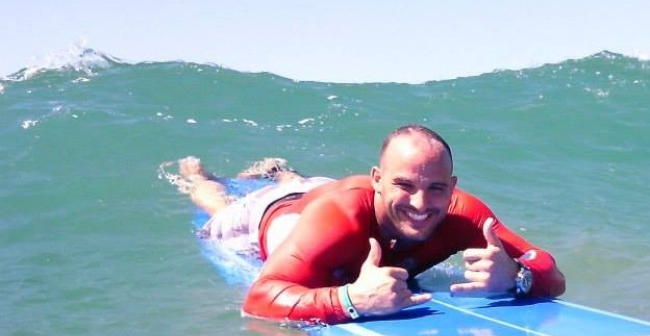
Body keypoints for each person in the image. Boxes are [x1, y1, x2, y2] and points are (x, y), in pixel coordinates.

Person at [170, 125, 566, 324]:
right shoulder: (339, 220)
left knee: (305, 184)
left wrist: (518, 275)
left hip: (322, 190)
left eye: (436, 188)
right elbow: (259, 299)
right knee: (218, 208)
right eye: (405, 185)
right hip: (272, 213)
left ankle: (282, 170)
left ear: (452, 187)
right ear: (377, 179)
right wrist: (349, 301)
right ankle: (200, 176)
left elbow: (550, 271)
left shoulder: (464, 213)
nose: (421, 203)